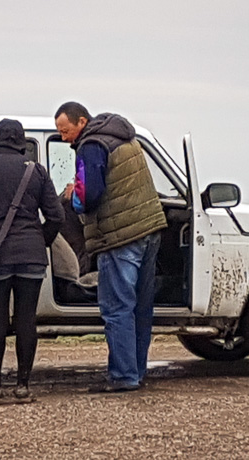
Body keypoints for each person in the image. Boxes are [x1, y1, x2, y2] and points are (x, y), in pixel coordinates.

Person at [54, 102, 168, 392]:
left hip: (119, 236)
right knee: (141, 307)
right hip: (148, 228)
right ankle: (137, 371)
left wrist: (72, 197)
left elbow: (89, 196)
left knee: (116, 308)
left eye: (65, 131)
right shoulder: (126, 138)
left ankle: (123, 376)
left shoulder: (90, 146)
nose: (64, 137)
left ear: (82, 122)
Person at [0, 118, 64, 403]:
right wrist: (40, 238)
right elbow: (56, 216)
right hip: (31, 255)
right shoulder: (36, 171)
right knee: (26, 320)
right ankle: (23, 385)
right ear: (21, 141)